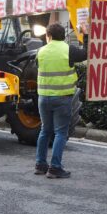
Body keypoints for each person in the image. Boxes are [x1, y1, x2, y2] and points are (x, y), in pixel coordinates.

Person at [34, 23, 87, 179]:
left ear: (48, 36)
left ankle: (40, 164)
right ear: (63, 36)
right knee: (60, 133)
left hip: (43, 98)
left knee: (44, 130)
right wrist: (85, 34)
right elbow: (87, 53)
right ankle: (55, 167)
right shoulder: (68, 50)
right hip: (62, 98)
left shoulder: (40, 51)